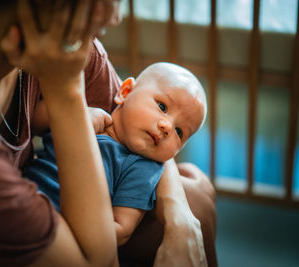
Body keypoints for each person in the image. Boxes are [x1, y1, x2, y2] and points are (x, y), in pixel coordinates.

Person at [0, 0, 216, 266]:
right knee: (198, 196)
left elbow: (138, 122)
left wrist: (180, 219)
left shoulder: (46, 34)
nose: (115, 16)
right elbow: (99, 262)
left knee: (192, 189)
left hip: (42, 208)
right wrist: (66, 93)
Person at [25, 62, 207, 247]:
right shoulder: (88, 116)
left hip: (57, 232)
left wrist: (75, 235)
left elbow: (121, 230)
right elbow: (31, 123)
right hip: (22, 193)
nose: (167, 127)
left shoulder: (142, 168)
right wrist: (74, 116)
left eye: (179, 131)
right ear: (125, 92)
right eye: (162, 106)